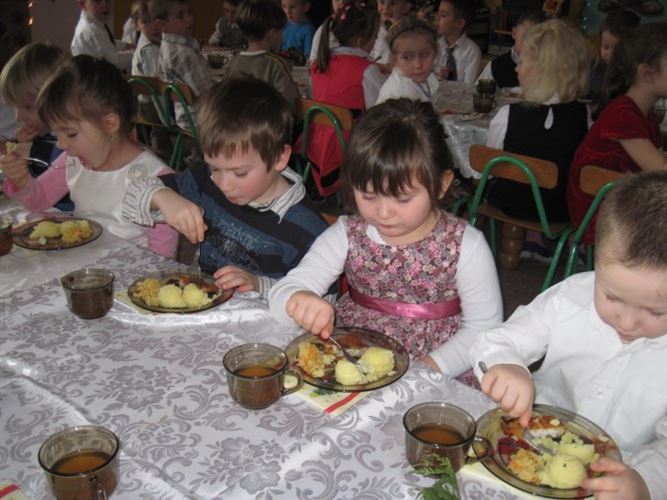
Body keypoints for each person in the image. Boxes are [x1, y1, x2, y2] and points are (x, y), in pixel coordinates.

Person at [269, 99, 502, 381]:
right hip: (352, 355)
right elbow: (285, 291)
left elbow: (483, 329)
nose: (383, 213)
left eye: (402, 198)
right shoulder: (346, 235)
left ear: (441, 184)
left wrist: (425, 369)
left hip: (437, 366)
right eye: (368, 196)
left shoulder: (466, 245)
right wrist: (297, 298)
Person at [470, 171, 667, 500]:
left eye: (655, 312)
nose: (628, 322)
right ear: (597, 261)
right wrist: (507, 365)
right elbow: (498, 341)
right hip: (528, 443)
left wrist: (646, 482)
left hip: (618, 477)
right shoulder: (571, 298)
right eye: (612, 297)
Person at [121, 77, 330, 298]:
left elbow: (322, 298)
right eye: (214, 168)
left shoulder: (307, 229)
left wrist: (260, 284)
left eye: (240, 173)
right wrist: (163, 197)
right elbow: (130, 198)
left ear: (280, 158)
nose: (223, 184)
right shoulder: (205, 181)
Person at [1, 55, 178, 258]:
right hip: (82, 264)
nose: (60, 144)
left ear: (109, 124)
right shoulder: (72, 161)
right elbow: (40, 201)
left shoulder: (155, 176)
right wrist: (22, 181)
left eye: (70, 134)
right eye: (56, 132)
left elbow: (162, 256)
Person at [568, 22, 667, 246]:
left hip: (623, 203)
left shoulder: (646, 116)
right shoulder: (623, 114)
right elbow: (661, 170)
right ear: (647, 73)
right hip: (601, 215)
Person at [486, 19, 589, 225]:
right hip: (562, 210)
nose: (516, 69)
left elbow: (489, 168)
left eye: (522, 62)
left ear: (541, 71)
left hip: (512, 204)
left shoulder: (508, 115)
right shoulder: (583, 115)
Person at [306, 0, 383, 196]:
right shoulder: (367, 70)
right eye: (374, 37)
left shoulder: (318, 64)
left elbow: (310, 100)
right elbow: (378, 113)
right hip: (347, 149)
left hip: (314, 144)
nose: (375, 42)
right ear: (360, 41)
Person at [0, 43, 73, 211]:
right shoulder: (38, 137)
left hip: (73, 215)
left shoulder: (73, 145)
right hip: (43, 210)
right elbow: (27, 187)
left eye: (27, 108)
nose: (18, 117)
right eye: (15, 107)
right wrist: (22, 150)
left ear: (59, 99)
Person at [225, 0, 300, 115]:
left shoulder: (234, 62)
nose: (282, 36)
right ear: (271, 34)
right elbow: (291, 104)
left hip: (239, 123)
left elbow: (226, 99)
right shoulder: (275, 64)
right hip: (269, 124)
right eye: (281, 31)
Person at [151, 0, 214, 126]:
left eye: (189, 12)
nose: (189, 19)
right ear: (162, 25)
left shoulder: (165, 47)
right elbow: (208, 94)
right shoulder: (184, 54)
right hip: (201, 120)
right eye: (180, 16)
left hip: (183, 117)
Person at [588, 9, 639, 119]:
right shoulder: (596, 67)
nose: (610, 54)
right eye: (605, 47)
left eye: (617, 49)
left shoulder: (632, 76)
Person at [476, 11, 545, 91]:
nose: (531, 45)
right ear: (514, 33)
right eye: (526, 38)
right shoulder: (496, 67)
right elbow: (479, 93)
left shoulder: (548, 69)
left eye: (538, 41)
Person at [375, 17, 439, 104]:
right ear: (394, 59)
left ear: (435, 52)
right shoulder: (400, 94)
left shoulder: (427, 76)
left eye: (425, 55)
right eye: (407, 57)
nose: (418, 65)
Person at [71, 0, 132, 71]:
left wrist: (126, 46)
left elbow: (106, 41)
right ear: (82, 4)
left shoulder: (95, 24)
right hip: (95, 76)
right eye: (97, 0)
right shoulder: (91, 31)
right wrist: (136, 53)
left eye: (108, 0)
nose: (105, 5)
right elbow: (116, 62)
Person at [433, 0, 481, 83]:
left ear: (459, 23)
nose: (437, 18)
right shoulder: (434, 45)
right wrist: (438, 78)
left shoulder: (472, 51)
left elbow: (468, 87)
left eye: (443, 15)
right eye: (437, 13)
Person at [370, 0, 412, 67]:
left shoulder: (410, 33)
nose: (385, 9)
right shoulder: (373, 28)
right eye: (382, 2)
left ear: (406, 8)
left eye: (393, 3)